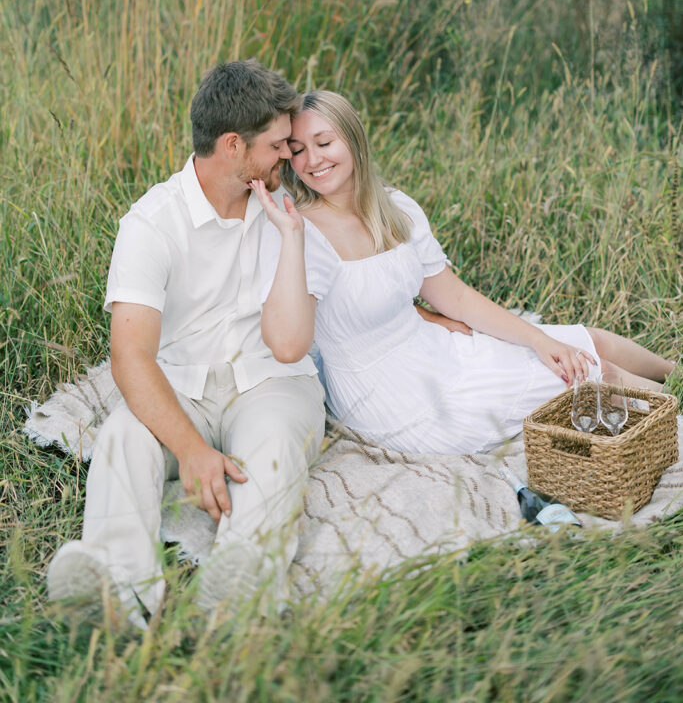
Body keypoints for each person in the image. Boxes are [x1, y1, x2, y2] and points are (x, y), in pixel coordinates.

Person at [47, 61, 326, 629]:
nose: (289, 155)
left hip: (272, 382)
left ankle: (242, 590)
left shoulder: (288, 206)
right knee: (123, 435)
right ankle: (116, 590)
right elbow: (130, 356)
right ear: (232, 145)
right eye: (277, 145)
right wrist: (191, 450)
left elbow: (295, 338)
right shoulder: (152, 223)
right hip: (183, 388)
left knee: (274, 447)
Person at [254, 90, 674, 456]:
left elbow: (454, 297)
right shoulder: (302, 232)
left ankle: (676, 372)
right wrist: (291, 236)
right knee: (593, 373)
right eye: (298, 149)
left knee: (586, 342)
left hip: (434, 351)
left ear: (353, 140)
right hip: (392, 396)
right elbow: (294, 337)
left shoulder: (394, 208)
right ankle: (671, 414)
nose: (313, 160)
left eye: (324, 142)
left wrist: (538, 338)